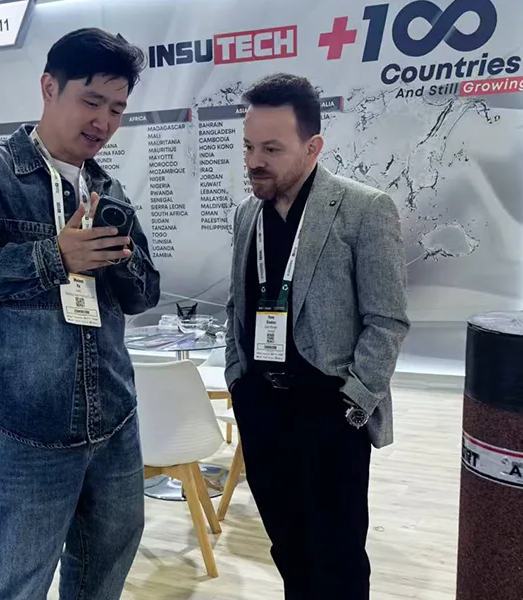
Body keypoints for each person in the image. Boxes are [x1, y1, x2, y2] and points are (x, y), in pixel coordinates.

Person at [0, 28, 159, 599]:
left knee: (104, 572)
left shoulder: (107, 188)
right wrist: (54, 256)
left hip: (113, 415)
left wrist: (121, 258)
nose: (103, 121)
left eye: (117, 109)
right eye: (92, 101)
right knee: (14, 582)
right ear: (49, 87)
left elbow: (144, 295)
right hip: (30, 426)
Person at [224, 73, 410, 599]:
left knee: (339, 562)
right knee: (288, 551)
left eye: (272, 149)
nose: (255, 161)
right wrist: (239, 384)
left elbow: (387, 319)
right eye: (249, 147)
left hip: (330, 414)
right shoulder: (246, 214)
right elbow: (238, 305)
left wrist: (353, 406)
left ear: (312, 147)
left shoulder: (364, 209)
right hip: (262, 410)